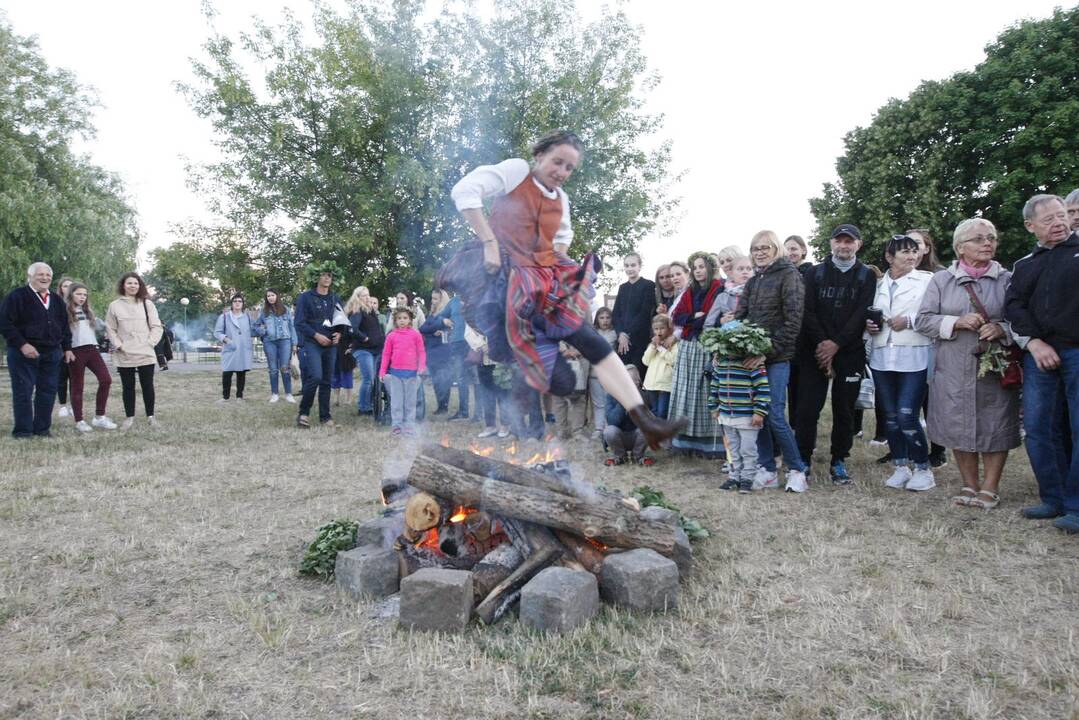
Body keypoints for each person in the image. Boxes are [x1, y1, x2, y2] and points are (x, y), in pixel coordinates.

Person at [445, 129, 684, 448]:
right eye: (558, 162)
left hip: (537, 285)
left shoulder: (561, 201)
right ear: (539, 155)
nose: (562, 172)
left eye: (570, 168)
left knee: (592, 341)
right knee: (524, 358)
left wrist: (565, 277)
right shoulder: (516, 173)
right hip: (499, 285)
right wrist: (489, 242)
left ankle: (644, 418)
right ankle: (527, 406)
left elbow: (560, 242)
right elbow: (465, 191)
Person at [916, 218, 1020, 510]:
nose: (987, 243)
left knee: (996, 421)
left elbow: (1022, 319)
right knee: (956, 422)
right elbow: (923, 320)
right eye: (979, 238)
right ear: (960, 247)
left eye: (991, 237)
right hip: (952, 365)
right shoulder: (941, 280)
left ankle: (990, 487)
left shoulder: (1008, 279)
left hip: (995, 365)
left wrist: (1002, 329)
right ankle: (969, 484)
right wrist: (956, 322)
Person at [1005, 194, 1079, 530]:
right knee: (1038, 429)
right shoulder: (1025, 265)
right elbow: (1014, 308)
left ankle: (1076, 507)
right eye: (1048, 219)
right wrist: (1034, 343)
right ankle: (1053, 498)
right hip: (1039, 356)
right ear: (1030, 226)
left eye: (1062, 215)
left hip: (1077, 351)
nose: (1059, 223)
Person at [794, 224, 876, 486]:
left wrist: (837, 344)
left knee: (844, 410)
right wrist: (823, 343)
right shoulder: (814, 273)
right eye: (839, 241)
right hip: (814, 350)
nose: (844, 245)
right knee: (807, 409)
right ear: (831, 244)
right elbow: (807, 311)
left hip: (849, 351)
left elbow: (862, 313)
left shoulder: (866, 275)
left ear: (858, 244)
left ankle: (839, 459)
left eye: (849, 241)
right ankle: (803, 459)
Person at [735, 230, 808, 492]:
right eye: (755, 248)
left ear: (776, 249)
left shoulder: (790, 276)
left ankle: (797, 469)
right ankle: (767, 468)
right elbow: (741, 317)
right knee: (759, 417)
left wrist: (766, 352)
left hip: (776, 358)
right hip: (751, 358)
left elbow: (793, 322)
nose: (760, 252)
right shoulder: (754, 282)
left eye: (765, 247)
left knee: (775, 414)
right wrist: (727, 340)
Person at [865, 235, 936, 491]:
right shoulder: (877, 285)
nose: (911, 256)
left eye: (914, 251)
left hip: (914, 355)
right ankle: (900, 466)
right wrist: (869, 327)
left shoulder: (928, 281)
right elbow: (868, 315)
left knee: (908, 414)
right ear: (889, 257)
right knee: (891, 417)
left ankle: (923, 468)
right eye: (904, 252)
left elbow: (935, 313)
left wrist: (910, 320)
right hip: (882, 356)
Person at [0, 262, 72, 438]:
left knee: (47, 392)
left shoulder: (56, 300)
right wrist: (22, 344)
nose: (45, 278)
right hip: (23, 353)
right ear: (30, 276)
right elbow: (5, 323)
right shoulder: (17, 296)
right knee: (23, 392)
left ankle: (42, 429)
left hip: (52, 353)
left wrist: (67, 348)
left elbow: (64, 326)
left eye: (48, 275)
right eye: (40, 274)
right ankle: (23, 431)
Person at [668, 252, 726, 458]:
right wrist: (693, 317)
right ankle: (685, 442)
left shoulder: (719, 288)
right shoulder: (689, 291)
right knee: (686, 390)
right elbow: (676, 316)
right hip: (688, 346)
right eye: (695, 267)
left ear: (710, 267)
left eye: (701, 266)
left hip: (706, 344)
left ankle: (710, 445)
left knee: (705, 391)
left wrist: (693, 320)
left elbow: (712, 318)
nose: (698, 271)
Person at [708, 324, 771, 493]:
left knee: (748, 449)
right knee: (733, 448)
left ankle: (747, 478)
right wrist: (713, 406)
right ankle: (734, 476)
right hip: (727, 415)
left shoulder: (752, 363)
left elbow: (763, 389)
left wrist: (759, 412)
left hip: (747, 416)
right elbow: (715, 385)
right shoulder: (721, 362)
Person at [106, 272, 163, 429]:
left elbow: (156, 327)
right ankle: (129, 417)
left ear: (140, 286)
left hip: (145, 351)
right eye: (129, 283)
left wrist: (150, 342)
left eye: (136, 283)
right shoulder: (114, 306)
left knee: (147, 385)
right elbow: (110, 328)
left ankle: (151, 416)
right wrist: (118, 345)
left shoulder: (148, 304)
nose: (133, 286)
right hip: (124, 352)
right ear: (123, 285)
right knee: (128, 386)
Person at [293, 264, 343, 428]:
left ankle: (325, 416)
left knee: (327, 381)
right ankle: (303, 413)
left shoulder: (335, 298)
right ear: (316, 278)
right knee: (315, 376)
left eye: (329, 275)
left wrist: (339, 333)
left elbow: (340, 321)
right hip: (312, 342)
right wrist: (316, 335)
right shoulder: (305, 297)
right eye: (323, 275)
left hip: (330, 345)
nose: (327, 278)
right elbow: (299, 323)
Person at [64, 283, 116, 431]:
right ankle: (79, 421)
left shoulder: (88, 311)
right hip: (75, 351)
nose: (82, 297)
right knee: (77, 386)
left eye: (85, 295)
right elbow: (62, 332)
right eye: (78, 294)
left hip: (92, 349)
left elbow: (103, 327)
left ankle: (99, 417)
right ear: (71, 294)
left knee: (106, 379)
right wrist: (66, 349)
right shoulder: (65, 311)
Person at [379, 307, 427, 436]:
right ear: (395, 320)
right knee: (396, 401)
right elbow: (386, 355)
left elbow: (421, 352)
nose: (402, 321)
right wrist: (382, 372)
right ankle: (397, 426)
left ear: (410, 320)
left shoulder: (416, 335)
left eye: (405, 318)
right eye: (399, 318)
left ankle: (409, 426)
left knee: (410, 402)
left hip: (411, 374)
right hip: (396, 374)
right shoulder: (391, 336)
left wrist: (421, 366)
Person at [612, 252, 657, 376]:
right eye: (626, 266)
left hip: (640, 340)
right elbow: (616, 314)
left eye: (633, 265)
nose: (629, 268)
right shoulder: (622, 288)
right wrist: (621, 333)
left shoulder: (648, 285)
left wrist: (627, 334)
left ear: (639, 266)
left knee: (638, 378)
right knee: (623, 378)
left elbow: (644, 313)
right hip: (622, 343)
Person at [253, 288, 297, 403]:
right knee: (273, 369)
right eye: (268, 296)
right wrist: (263, 331)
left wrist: (294, 344)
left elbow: (292, 327)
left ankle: (288, 394)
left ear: (277, 296)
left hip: (285, 342)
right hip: (270, 342)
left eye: (272, 295)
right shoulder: (263, 312)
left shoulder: (286, 310)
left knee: (285, 368)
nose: (270, 297)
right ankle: (275, 394)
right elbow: (256, 326)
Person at [603, 365, 650, 466]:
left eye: (632, 381)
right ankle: (620, 456)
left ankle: (638, 456)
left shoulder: (644, 396)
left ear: (638, 382)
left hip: (636, 435)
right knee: (609, 431)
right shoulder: (611, 395)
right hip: (618, 436)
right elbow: (612, 421)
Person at [421, 289, 457, 415]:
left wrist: (439, 327)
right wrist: (437, 327)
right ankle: (440, 406)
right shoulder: (432, 313)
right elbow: (423, 328)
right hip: (431, 350)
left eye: (436, 298)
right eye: (432, 298)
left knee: (444, 379)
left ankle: (444, 406)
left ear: (443, 300)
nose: (433, 301)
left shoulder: (447, 313)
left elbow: (451, 328)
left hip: (443, 350)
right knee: (436, 380)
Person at [214, 294, 255, 402]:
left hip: (243, 349)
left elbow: (253, 330)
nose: (237, 303)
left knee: (241, 373)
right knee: (227, 372)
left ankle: (239, 396)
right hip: (230, 348)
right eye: (235, 301)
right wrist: (227, 340)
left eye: (240, 301)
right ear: (232, 304)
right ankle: (225, 397)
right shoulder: (224, 317)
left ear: (242, 304)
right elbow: (217, 332)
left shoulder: (247, 317)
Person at [350, 294, 385, 415]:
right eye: (365, 297)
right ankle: (363, 408)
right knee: (368, 379)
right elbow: (352, 328)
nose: (370, 302)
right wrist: (364, 338)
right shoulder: (359, 311)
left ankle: (370, 405)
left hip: (376, 350)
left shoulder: (372, 314)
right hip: (364, 350)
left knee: (374, 380)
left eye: (368, 295)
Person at [642, 314, 679, 420]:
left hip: (665, 385)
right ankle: (656, 435)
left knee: (662, 412)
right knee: (654, 411)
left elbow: (673, 360)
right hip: (652, 384)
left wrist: (661, 349)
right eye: (656, 329)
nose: (659, 332)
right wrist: (653, 347)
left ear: (669, 328)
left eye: (662, 328)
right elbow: (645, 361)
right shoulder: (653, 345)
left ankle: (663, 435)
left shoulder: (674, 344)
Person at [588, 307, 618, 439]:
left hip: (610, 375)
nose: (605, 321)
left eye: (607, 317)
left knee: (609, 401)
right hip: (594, 373)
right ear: (597, 319)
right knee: (598, 402)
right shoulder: (592, 333)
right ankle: (598, 428)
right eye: (601, 318)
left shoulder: (615, 333)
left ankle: (608, 427)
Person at [54, 276, 74, 418]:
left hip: (76, 344)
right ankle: (62, 405)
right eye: (65, 286)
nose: (67, 288)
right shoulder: (55, 303)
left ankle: (74, 405)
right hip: (60, 345)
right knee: (62, 376)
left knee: (75, 377)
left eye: (70, 286)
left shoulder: (78, 303)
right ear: (60, 288)